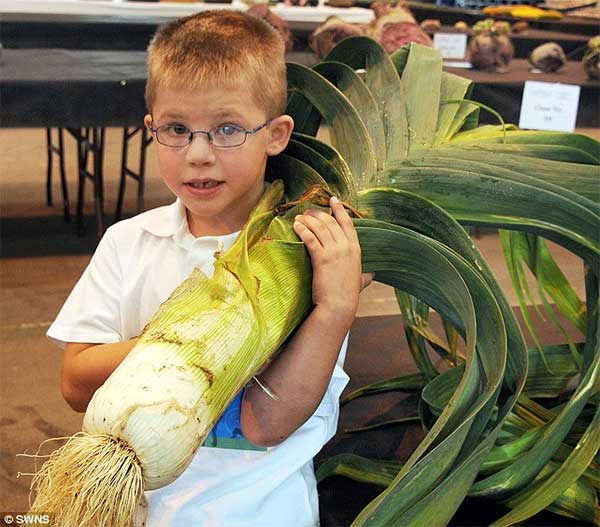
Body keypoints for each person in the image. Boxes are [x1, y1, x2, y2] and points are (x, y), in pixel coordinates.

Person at [47, 10, 370, 527]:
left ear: (277, 134)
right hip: (135, 513)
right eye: (177, 129)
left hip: (263, 515)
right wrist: (186, 345)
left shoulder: (312, 256)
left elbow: (266, 424)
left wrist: (335, 308)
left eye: (227, 129)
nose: (199, 154)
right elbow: (75, 383)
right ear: (151, 128)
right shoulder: (128, 242)